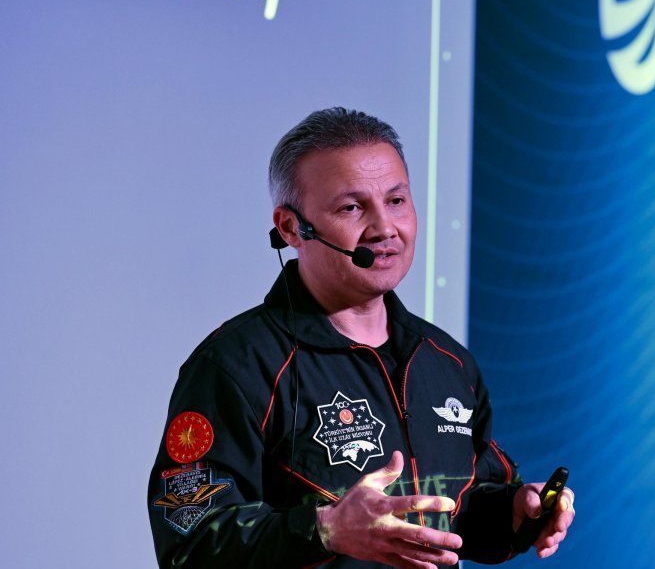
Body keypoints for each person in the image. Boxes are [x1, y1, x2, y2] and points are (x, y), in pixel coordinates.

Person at [147, 107, 575, 567]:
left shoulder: (446, 361)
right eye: (352, 208)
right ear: (291, 228)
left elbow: (463, 508)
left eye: (397, 201)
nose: (385, 228)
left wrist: (516, 512)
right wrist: (323, 531)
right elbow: (189, 542)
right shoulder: (236, 366)